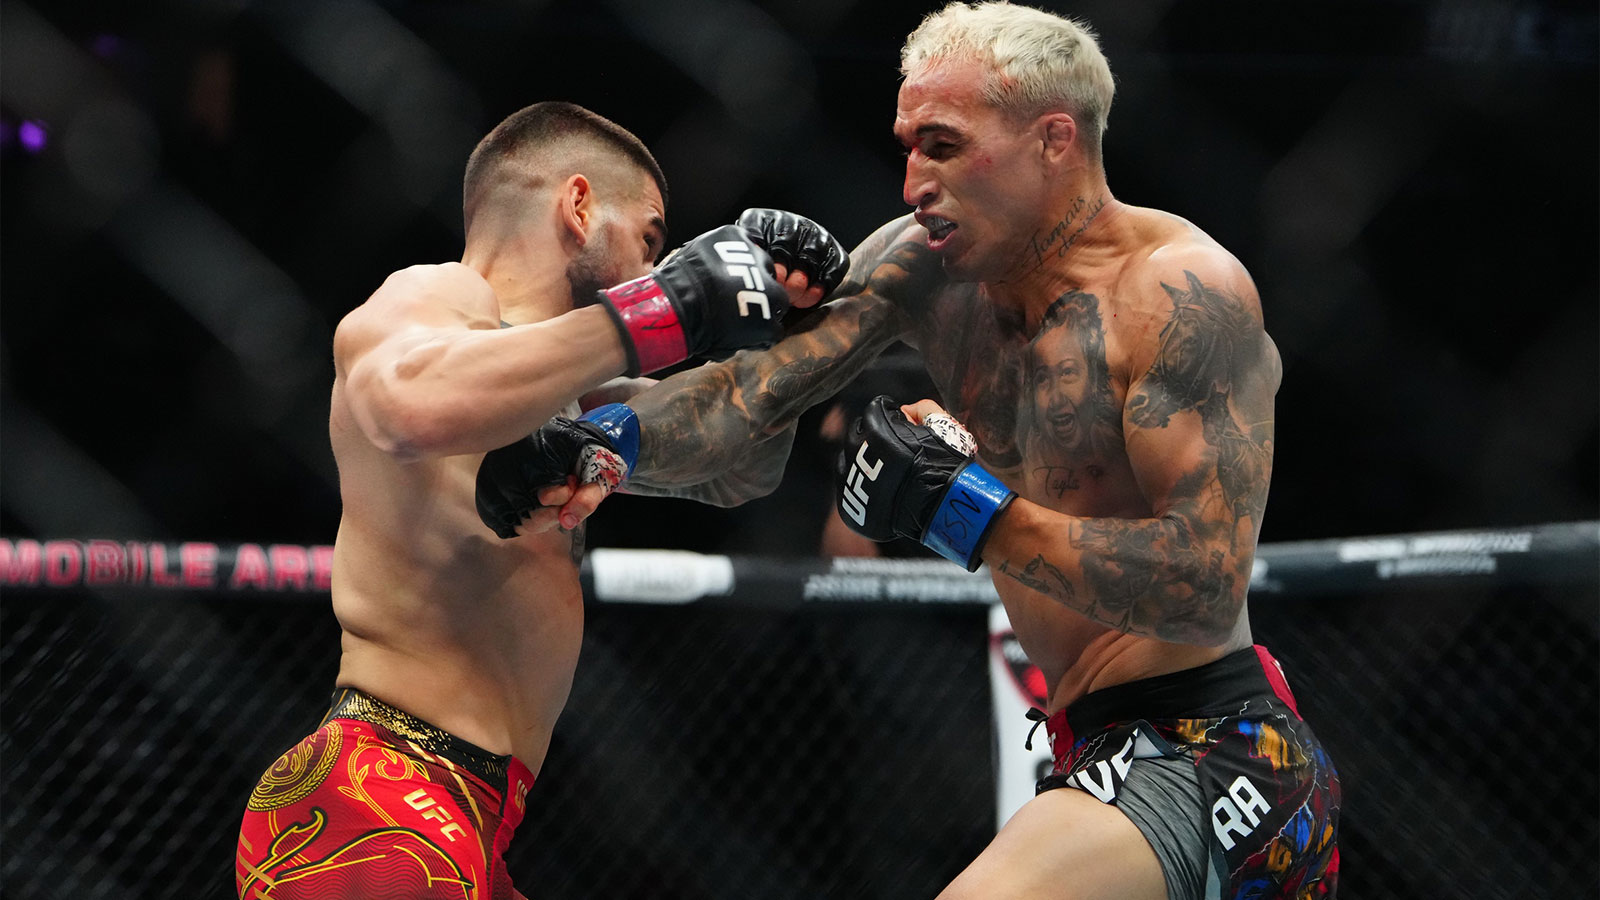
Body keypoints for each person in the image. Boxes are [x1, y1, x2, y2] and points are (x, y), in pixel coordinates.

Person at [480, 4, 1341, 898]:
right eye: (905, 146)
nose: (911, 182)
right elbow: (743, 406)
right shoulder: (923, 270)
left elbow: (1202, 585)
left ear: (1053, 141)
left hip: (1216, 753)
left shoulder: (1178, 292)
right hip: (1092, 752)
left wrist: (962, 509)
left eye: (942, 145)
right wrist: (593, 438)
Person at [233, 100, 847, 900]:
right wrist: (669, 308)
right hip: (377, 796)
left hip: (474, 814)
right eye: (650, 240)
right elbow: (405, 406)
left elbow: (739, 467)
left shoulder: (570, 393)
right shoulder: (435, 296)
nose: (650, 270)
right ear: (579, 205)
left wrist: (787, 323)